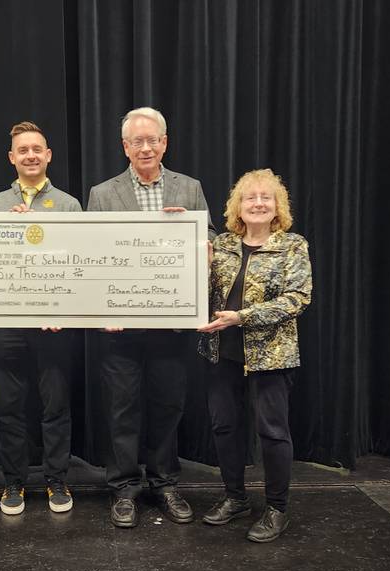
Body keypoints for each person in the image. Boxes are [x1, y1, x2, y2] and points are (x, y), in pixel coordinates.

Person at [87, 106, 217, 528]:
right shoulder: (102, 194)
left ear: (165, 142)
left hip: (171, 322)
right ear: (125, 147)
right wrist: (102, 309)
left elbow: (212, 239)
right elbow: (92, 255)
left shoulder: (189, 188)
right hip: (119, 327)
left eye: (153, 139)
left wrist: (198, 237)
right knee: (121, 409)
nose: (145, 147)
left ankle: (164, 483)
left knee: (168, 406)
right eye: (136, 141)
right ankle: (124, 489)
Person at [197, 168, 312, 543]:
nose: (258, 203)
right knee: (224, 427)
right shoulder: (224, 245)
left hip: (271, 356)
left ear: (277, 206)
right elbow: (198, 287)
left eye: (266, 197)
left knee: (272, 432)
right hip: (221, 352)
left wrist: (242, 317)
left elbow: (297, 298)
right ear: (238, 207)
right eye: (250, 197)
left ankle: (277, 508)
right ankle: (235, 498)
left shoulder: (293, 245)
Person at [0, 121, 81, 515]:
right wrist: (12, 227)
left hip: (54, 325)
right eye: (22, 150)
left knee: (56, 405)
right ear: (12, 158)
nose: (30, 155)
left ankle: (57, 480)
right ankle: (13, 483)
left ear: (48, 155)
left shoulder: (70, 205)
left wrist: (64, 308)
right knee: (9, 406)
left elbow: (77, 263)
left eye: (37, 149)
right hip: (7, 323)